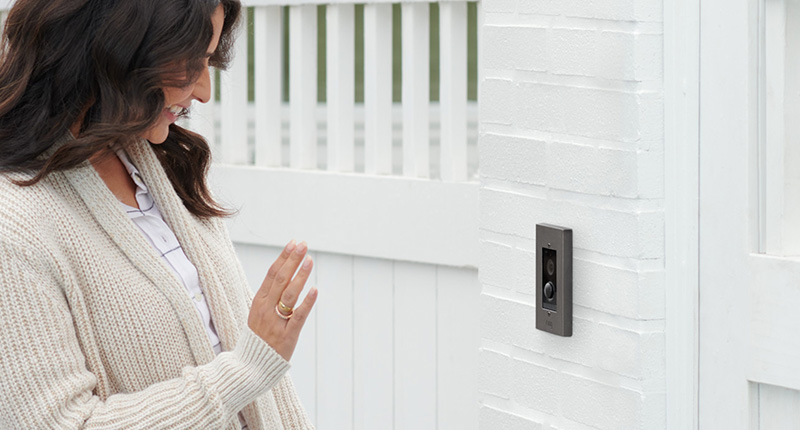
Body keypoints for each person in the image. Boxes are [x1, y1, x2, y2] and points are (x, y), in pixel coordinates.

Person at [0, 0, 317, 428]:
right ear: (117, 48)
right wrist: (248, 368)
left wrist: (255, 365)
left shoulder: (164, 164)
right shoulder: (15, 223)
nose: (204, 90)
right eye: (190, 62)